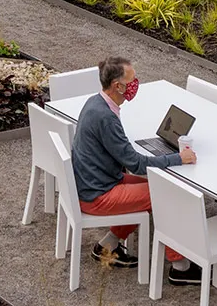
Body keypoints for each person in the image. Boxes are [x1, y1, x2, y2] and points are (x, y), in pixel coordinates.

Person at [73, 56, 204, 285]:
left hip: (96, 182)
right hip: (98, 194)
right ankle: (179, 267)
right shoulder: (105, 117)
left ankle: (107, 246)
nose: (136, 84)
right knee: (166, 193)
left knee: (157, 187)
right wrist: (178, 158)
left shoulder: (97, 102)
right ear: (118, 86)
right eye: (132, 80)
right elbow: (136, 164)